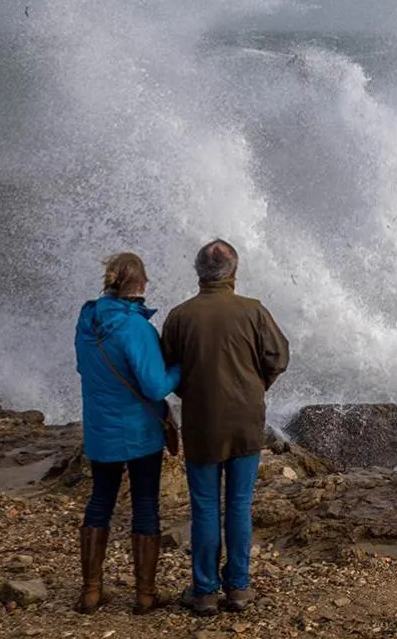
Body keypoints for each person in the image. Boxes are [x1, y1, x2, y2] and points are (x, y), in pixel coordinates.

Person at [161, 239, 289, 617]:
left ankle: (204, 592)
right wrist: (257, 385)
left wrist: (190, 391)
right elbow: (278, 357)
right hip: (246, 421)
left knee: (204, 507)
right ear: (234, 272)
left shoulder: (180, 316)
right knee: (238, 505)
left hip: (201, 422)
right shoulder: (253, 311)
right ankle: (238, 588)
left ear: (199, 272)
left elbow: (169, 370)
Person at [73, 252, 182, 615]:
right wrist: (180, 370)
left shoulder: (86, 320)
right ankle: (145, 596)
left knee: (100, 501)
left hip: (101, 430)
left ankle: (91, 592)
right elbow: (154, 387)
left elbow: (81, 366)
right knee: (145, 505)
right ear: (143, 285)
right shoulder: (136, 328)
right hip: (139, 433)